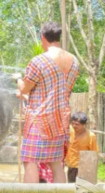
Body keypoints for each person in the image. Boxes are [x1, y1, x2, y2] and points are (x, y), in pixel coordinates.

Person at [13, 21, 79, 183]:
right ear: (58, 37)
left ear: (43, 37)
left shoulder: (39, 61)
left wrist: (17, 79)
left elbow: (24, 89)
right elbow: (52, 94)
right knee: (56, 164)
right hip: (59, 122)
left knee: (30, 161)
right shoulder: (74, 61)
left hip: (39, 122)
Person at [65, 112, 98, 183]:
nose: (74, 126)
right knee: (71, 187)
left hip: (83, 167)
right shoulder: (70, 130)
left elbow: (94, 153)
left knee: (83, 188)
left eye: (77, 124)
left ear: (84, 124)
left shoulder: (90, 136)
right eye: (72, 123)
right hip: (71, 165)